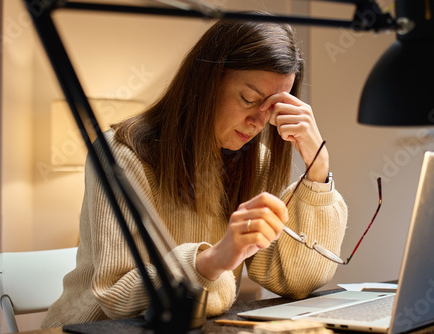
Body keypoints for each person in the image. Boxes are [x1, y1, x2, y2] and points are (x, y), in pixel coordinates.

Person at [42, 15, 348, 328]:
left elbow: (293, 281)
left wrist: (318, 170)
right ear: (206, 81)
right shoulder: (122, 155)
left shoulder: (254, 161)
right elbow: (115, 296)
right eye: (249, 99)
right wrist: (211, 261)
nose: (258, 122)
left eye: (272, 107)